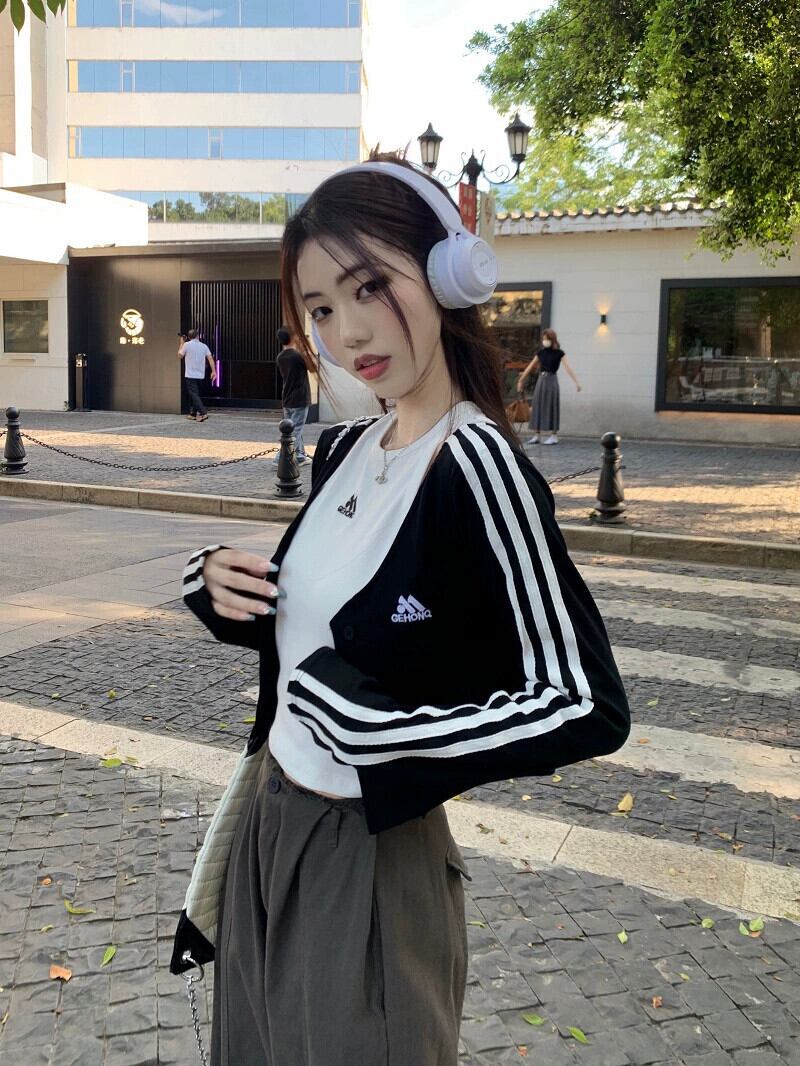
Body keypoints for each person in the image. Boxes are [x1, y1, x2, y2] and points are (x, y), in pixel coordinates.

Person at [170, 152, 630, 1066]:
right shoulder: (346, 448)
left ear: (450, 275)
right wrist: (213, 582)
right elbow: (319, 619)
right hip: (268, 821)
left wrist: (383, 734)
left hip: (369, 862)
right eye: (321, 309)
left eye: (370, 286)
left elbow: (584, 703)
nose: (348, 331)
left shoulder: (479, 467)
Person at [516, 327, 581, 445]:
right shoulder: (541, 353)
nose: (544, 341)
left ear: (552, 339)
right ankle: (536, 435)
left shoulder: (559, 353)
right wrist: (521, 381)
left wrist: (576, 383)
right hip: (541, 380)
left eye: (546, 339)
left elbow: (568, 368)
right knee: (537, 405)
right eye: (543, 339)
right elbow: (530, 367)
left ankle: (554, 435)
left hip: (552, 380)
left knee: (552, 405)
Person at [275, 325, 311, 464]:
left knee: (292, 428)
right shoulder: (298, 356)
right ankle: (280, 458)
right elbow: (313, 367)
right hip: (300, 397)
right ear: (293, 338)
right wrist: (306, 347)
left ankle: (300, 456)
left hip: (287, 398)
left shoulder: (280, 357)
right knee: (295, 430)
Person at [178, 329, 216, 422]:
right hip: (201, 375)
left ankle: (203, 412)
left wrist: (182, 343)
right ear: (198, 336)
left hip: (190, 375)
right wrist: (213, 371)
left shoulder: (187, 345)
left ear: (189, 337)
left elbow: (180, 355)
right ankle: (193, 414)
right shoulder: (204, 346)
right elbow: (210, 358)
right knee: (196, 395)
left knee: (193, 394)